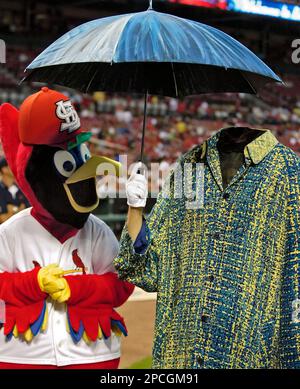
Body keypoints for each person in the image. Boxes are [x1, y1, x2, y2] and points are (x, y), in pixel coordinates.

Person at [114, 126, 300, 369]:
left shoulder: (287, 171)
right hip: (181, 353)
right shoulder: (189, 166)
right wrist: (135, 209)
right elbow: (147, 267)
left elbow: (294, 278)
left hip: (248, 352)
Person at [0, 87, 134, 369]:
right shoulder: (11, 232)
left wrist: (77, 288)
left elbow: (120, 286)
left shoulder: (97, 231)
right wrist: (33, 283)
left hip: (92, 352)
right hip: (24, 354)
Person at [0, 158, 29, 223]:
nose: (15, 168)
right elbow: (3, 219)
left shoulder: (21, 187)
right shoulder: (1, 191)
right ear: (4, 169)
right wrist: (19, 210)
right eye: (11, 165)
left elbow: (29, 212)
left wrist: (14, 210)